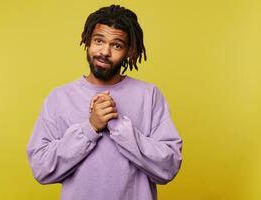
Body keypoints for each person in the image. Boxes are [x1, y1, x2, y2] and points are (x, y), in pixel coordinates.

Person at [27, 4, 182, 200]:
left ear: (129, 52)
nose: (105, 51)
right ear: (87, 41)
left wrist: (118, 125)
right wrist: (90, 127)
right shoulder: (59, 98)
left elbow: (169, 166)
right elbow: (41, 168)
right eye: (99, 41)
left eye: (116, 45)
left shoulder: (149, 95)